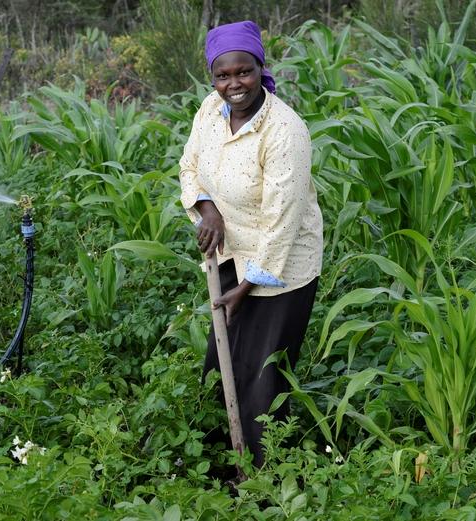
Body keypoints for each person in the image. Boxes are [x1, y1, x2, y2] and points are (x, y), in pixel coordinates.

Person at [178, 20, 323, 468]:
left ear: (260, 68)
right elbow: (190, 167)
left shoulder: (284, 130)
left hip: (282, 268)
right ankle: (217, 465)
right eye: (223, 75)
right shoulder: (209, 111)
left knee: (263, 378)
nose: (233, 84)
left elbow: (284, 219)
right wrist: (208, 211)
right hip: (228, 253)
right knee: (222, 366)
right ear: (212, 77)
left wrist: (248, 286)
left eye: (243, 72)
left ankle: (263, 482)